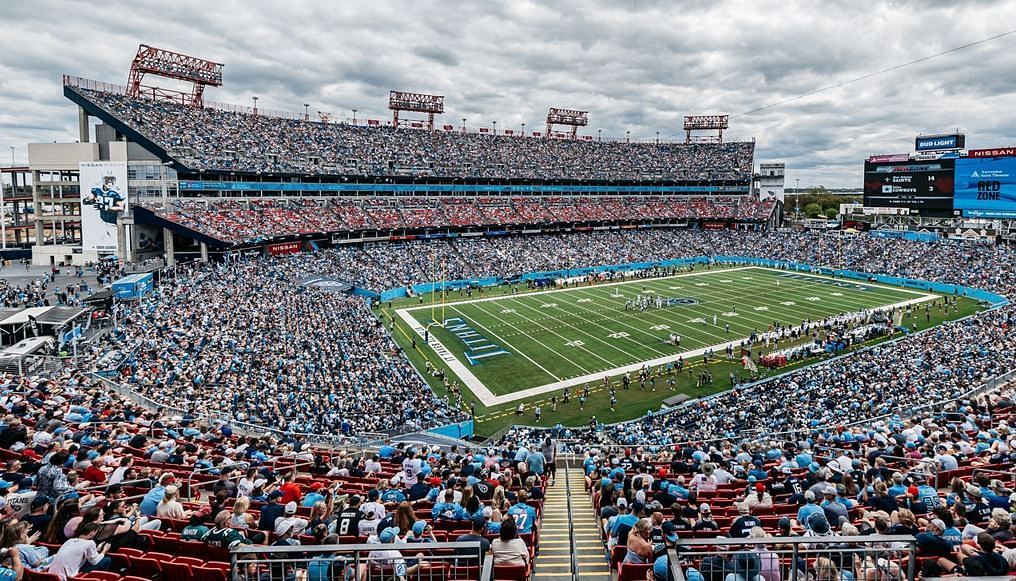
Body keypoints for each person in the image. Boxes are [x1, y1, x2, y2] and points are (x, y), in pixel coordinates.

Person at [47, 521, 111, 580]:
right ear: (92, 533)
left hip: (51, 575)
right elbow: (95, 561)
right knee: (107, 560)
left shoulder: (69, 541)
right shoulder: (90, 543)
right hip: (67, 577)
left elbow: (77, 553)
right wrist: (104, 551)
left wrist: (96, 550)